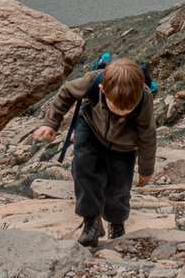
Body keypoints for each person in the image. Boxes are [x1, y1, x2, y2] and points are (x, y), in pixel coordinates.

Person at [33, 58, 156, 248]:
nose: (122, 113)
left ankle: (116, 223)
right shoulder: (93, 81)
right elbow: (66, 92)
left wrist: (146, 169)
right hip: (90, 129)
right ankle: (91, 223)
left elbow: (148, 135)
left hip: (124, 146)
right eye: (117, 107)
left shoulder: (144, 98)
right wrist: (50, 124)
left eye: (127, 110)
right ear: (103, 91)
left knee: (119, 187)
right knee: (84, 172)